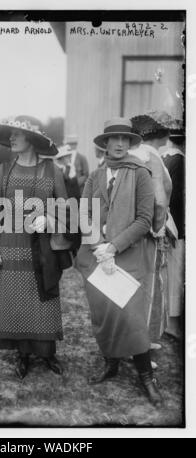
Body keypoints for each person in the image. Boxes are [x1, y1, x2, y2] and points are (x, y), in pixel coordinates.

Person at [75, 118, 163, 407]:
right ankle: (110, 363)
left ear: (131, 144)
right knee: (104, 312)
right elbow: (84, 214)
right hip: (98, 254)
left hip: (130, 254)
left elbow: (144, 220)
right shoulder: (95, 176)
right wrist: (98, 246)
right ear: (105, 144)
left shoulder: (141, 173)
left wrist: (114, 246)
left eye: (125, 139)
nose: (120, 144)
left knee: (131, 316)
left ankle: (146, 376)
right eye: (114, 139)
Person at [0, 116, 72, 379]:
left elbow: (67, 209)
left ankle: (47, 353)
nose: (12, 139)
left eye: (17, 134)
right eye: (10, 134)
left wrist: (49, 219)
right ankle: (22, 354)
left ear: (31, 140)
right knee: (15, 301)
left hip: (41, 248)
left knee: (43, 301)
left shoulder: (52, 170)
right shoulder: (3, 169)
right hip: (10, 247)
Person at [131, 112, 173, 346]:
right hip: (148, 229)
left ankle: (140, 338)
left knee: (139, 282)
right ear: (161, 133)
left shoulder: (139, 154)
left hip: (136, 226)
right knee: (146, 283)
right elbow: (158, 199)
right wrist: (159, 230)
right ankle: (139, 341)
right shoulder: (150, 156)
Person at [161, 122, 185, 339]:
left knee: (168, 273)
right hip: (177, 225)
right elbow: (177, 196)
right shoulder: (179, 160)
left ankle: (168, 319)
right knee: (176, 274)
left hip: (166, 222)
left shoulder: (164, 158)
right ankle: (173, 323)